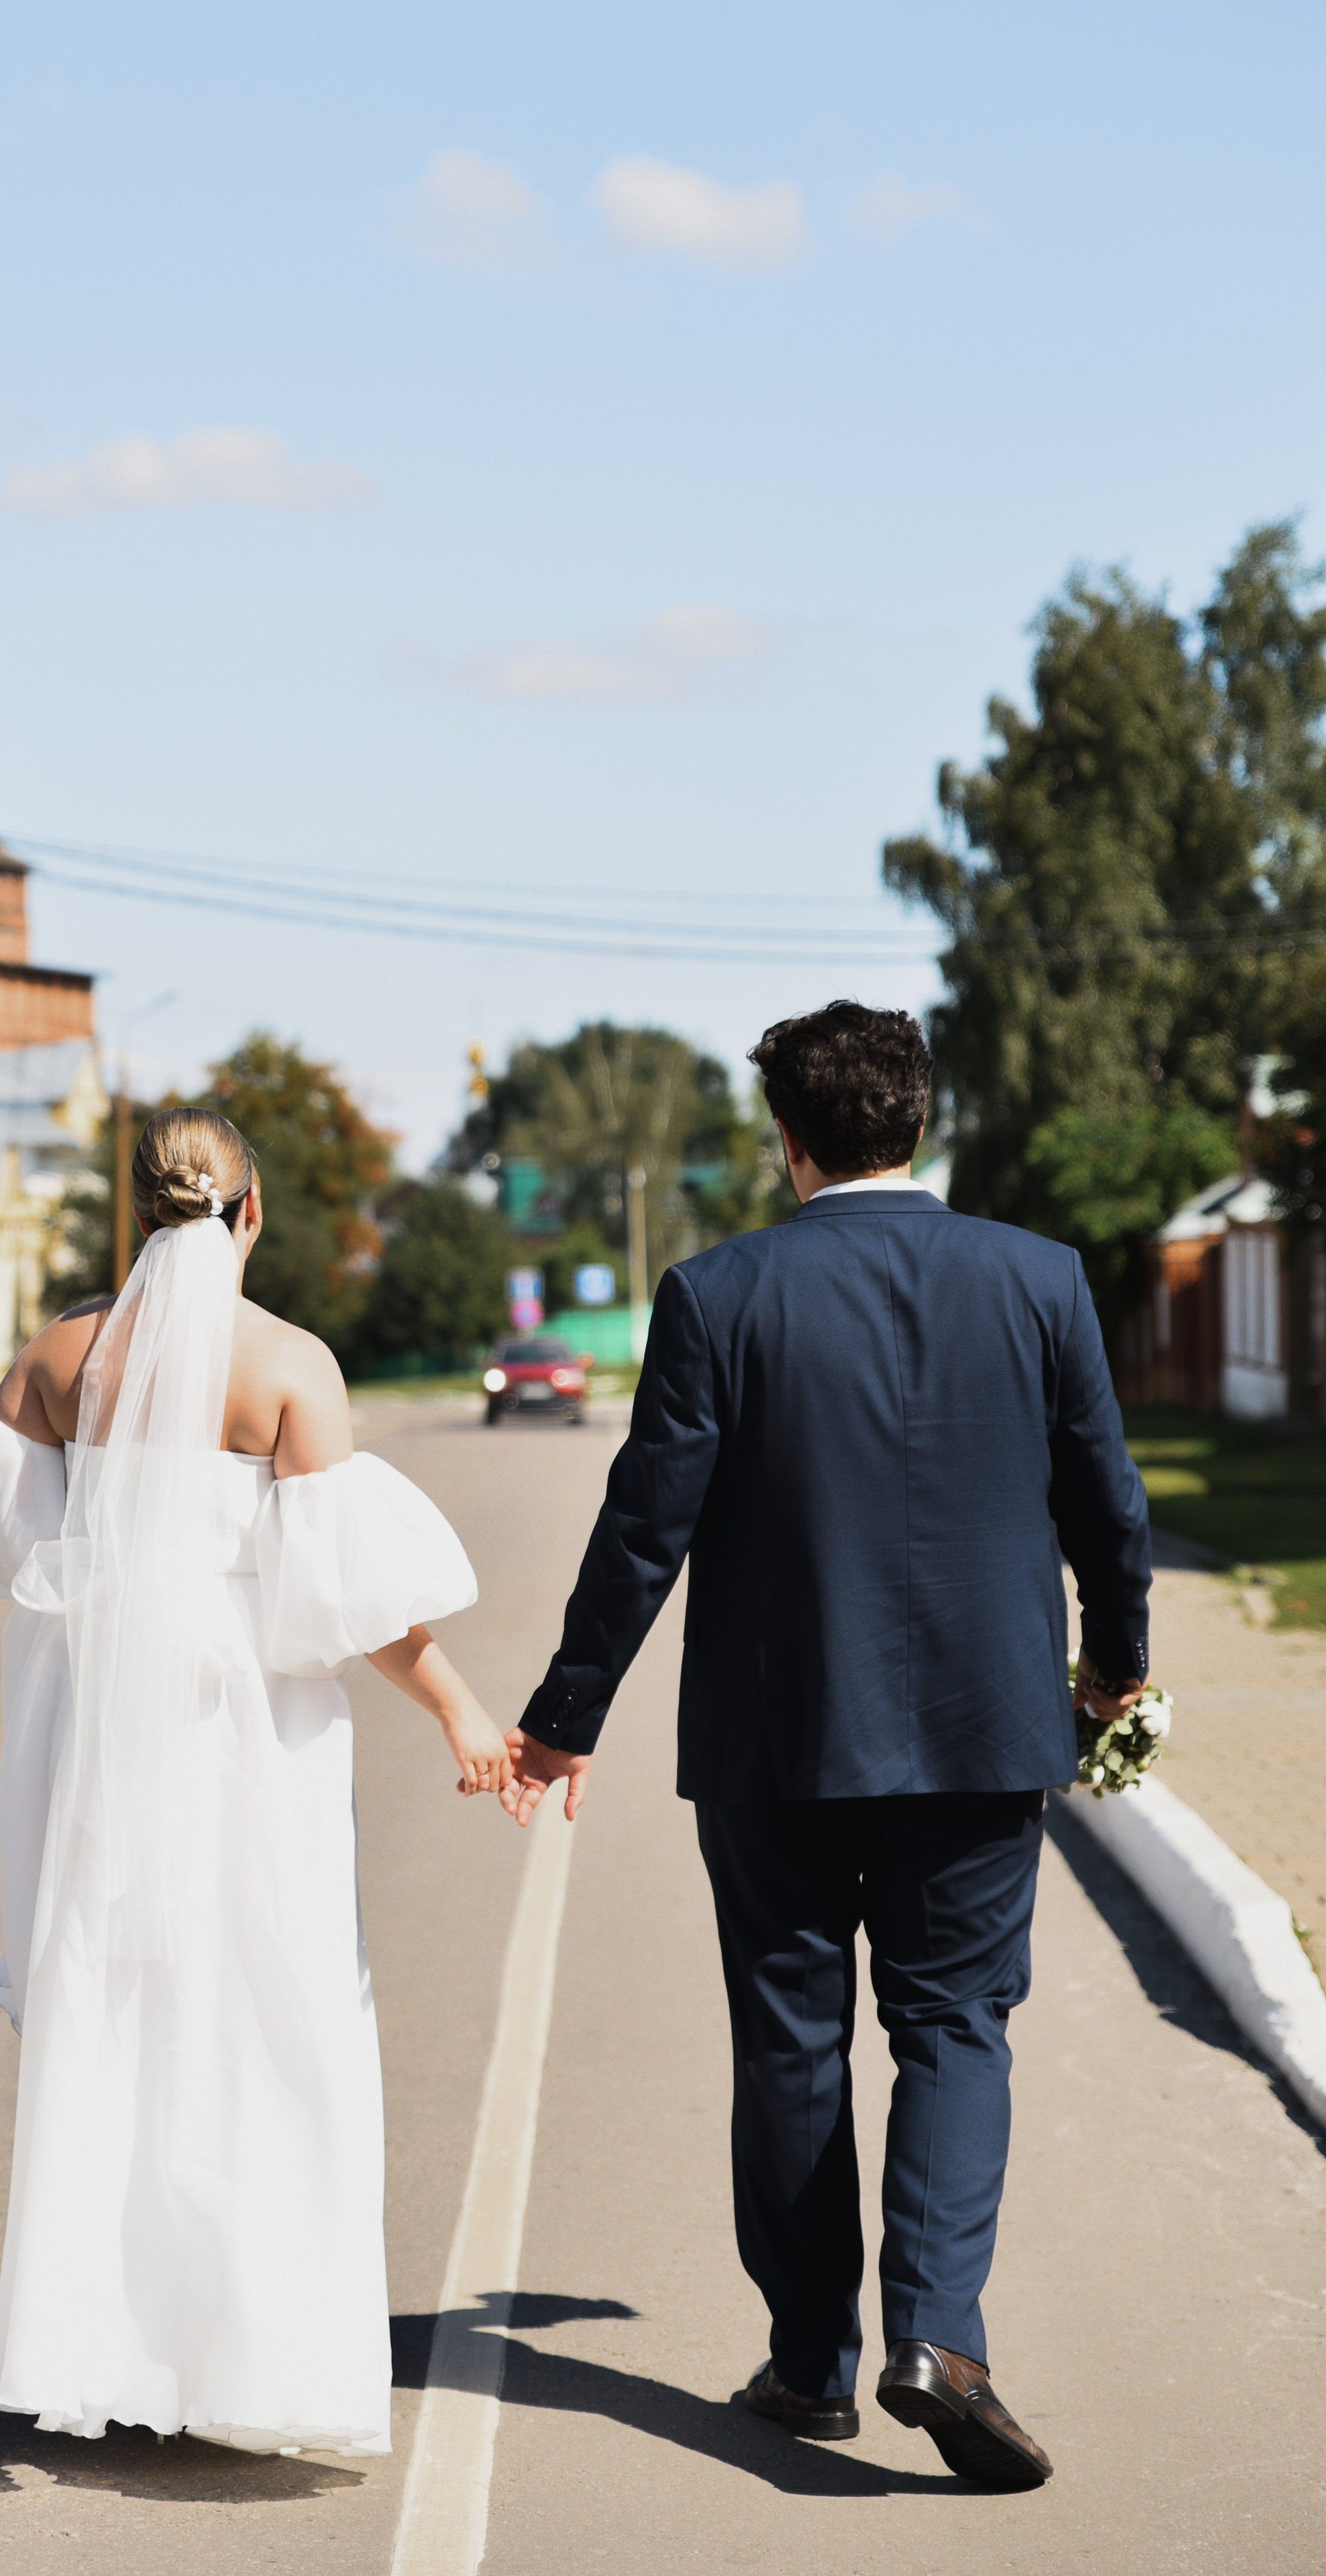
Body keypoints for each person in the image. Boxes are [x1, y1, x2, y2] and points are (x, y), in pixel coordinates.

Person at [500, 1002, 1150, 2494]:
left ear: (784, 1139)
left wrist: (560, 1720)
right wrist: (1111, 1668)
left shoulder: (717, 1292)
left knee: (790, 2037)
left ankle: (811, 2361)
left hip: (774, 1736)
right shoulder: (1035, 1279)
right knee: (954, 2027)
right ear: (914, 1120)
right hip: (985, 1728)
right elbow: (1106, 1501)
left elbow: (640, 1528)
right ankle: (939, 2338)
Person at [0, 1107, 504, 2456]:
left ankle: (96, 2347)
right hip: (251, 1744)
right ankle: (254, 2364)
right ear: (249, 1209)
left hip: (93, 1731)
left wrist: (106, 1569)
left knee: (114, 2013)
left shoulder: (62, 1355)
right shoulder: (290, 1365)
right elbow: (342, 1596)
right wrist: (463, 1707)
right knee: (266, 2023)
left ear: (142, 1213)